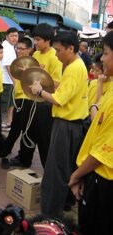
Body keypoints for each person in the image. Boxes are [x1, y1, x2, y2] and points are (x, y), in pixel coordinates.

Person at [30, 31, 89, 216]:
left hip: (66, 125)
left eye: (58, 50)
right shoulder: (76, 65)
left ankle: (50, 214)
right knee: (67, 167)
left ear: (71, 49)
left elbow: (59, 99)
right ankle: (65, 203)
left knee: (55, 171)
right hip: (75, 124)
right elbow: (67, 91)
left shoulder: (73, 68)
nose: (56, 54)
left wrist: (40, 91)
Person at [68, 31, 113, 235]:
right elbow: (97, 120)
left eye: (105, 53)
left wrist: (77, 175)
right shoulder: (109, 90)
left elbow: (103, 153)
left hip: (104, 180)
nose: (101, 59)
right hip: (95, 175)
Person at [9, 23, 62, 169]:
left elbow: (56, 83)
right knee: (27, 131)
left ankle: (47, 169)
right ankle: (24, 159)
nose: (36, 43)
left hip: (45, 102)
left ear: (48, 40)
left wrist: (40, 84)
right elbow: (32, 75)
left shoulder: (55, 57)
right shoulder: (36, 55)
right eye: (35, 39)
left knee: (44, 138)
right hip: (31, 99)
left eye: (38, 39)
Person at [0, 37, 33, 167]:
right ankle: (10, 152)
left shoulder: (32, 63)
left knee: (20, 128)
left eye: (22, 48)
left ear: (29, 50)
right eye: (17, 48)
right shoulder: (18, 61)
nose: (19, 51)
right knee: (16, 127)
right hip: (19, 97)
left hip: (27, 99)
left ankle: (8, 152)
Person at [0, 27, 18, 131]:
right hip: (5, 80)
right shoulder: (6, 47)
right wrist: (14, 80)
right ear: (7, 37)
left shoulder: (11, 46)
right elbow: (8, 66)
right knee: (4, 104)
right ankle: (2, 123)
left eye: (16, 36)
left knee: (11, 103)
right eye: (12, 36)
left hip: (9, 80)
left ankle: (9, 122)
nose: (14, 38)